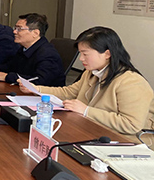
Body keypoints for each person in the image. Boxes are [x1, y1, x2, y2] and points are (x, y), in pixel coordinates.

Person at [20, 26, 154, 137]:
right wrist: (36, 89)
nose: (81, 59)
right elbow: (69, 92)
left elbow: (131, 124)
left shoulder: (131, 82)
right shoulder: (92, 72)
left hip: (126, 141)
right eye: (80, 53)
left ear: (107, 54)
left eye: (85, 54)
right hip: (94, 130)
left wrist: (86, 111)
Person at [0, 13, 65, 87]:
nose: (14, 32)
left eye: (19, 29)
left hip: (43, 94)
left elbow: (39, 81)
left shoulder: (48, 54)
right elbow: (12, 65)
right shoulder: (25, 48)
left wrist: (7, 77)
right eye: (15, 28)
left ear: (35, 33)